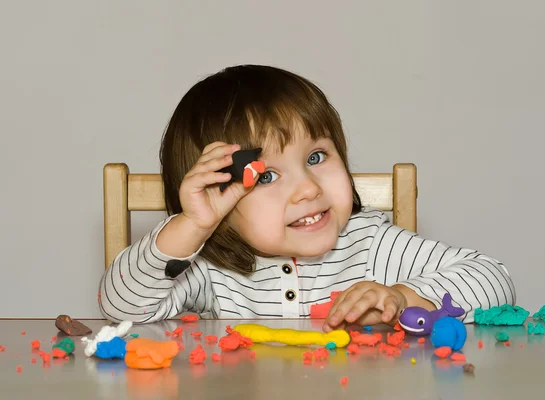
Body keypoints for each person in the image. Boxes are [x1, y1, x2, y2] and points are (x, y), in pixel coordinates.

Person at [99, 64, 515, 332]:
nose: (309, 188)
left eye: (317, 156)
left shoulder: (370, 244)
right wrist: (192, 227)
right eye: (266, 176)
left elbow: (493, 278)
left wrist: (401, 298)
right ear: (221, 208)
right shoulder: (213, 270)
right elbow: (121, 308)